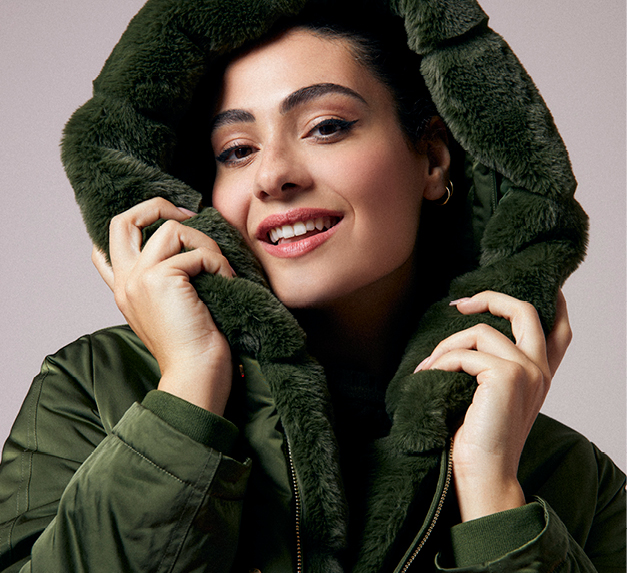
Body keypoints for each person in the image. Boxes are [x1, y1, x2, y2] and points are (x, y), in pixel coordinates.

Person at [0, 1, 624, 572]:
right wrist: (188, 393)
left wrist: (492, 492)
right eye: (236, 150)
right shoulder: (92, 389)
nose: (272, 175)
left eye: (326, 127)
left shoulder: (575, 479)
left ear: (433, 160)